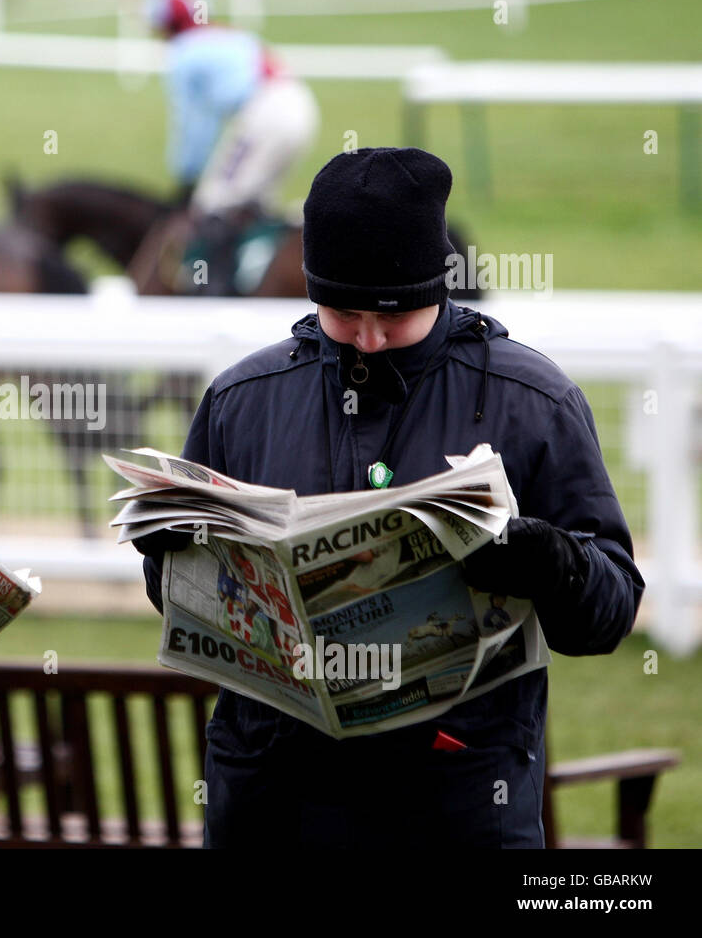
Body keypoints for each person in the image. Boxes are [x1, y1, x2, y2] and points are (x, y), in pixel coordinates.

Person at [136, 148, 643, 847]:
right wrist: (170, 559)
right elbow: (182, 605)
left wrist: (546, 559)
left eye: (395, 316)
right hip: (271, 803)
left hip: (454, 805)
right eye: (343, 315)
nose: (369, 340)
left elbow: (609, 611)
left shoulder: (533, 401)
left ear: (440, 291)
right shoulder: (241, 400)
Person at [144, 0, 318, 295]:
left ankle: (215, 293)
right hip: (298, 105)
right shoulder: (226, 34)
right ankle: (255, 277)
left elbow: (194, 124)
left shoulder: (184, 53)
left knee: (214, 201)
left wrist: (186, 178)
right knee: (254, 203)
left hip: (266, 112)